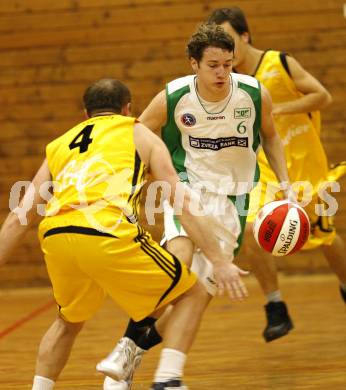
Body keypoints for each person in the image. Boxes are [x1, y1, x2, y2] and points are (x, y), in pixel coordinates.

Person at [0, 78, 249, 390]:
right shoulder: (138, 132)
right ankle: (167, 379)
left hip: (56, 234)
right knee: (194, 292)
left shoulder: (60, 144)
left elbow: (18, 218)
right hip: (106, 229)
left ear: (85, 113)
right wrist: (219, 260)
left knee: (67, 322)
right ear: (128, 108)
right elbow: (180, 200)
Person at [103, 23, 291, 390]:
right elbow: (137, 132)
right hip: (187, 190)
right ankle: (126, 347)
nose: (222, 72)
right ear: (194, 64)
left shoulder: (253, 94)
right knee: (179, 261)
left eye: (228, 64)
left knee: (200, 293)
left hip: (233, 202)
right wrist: (139, 182)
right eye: (213, 65)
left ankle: (166, 376)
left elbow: (270, 135)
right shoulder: (173, 97)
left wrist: (284, 182)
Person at [207, 6, 346, 342]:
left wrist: (278, 108)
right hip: (266, 169)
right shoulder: (228, 83)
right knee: (246, 227)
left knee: (323, 237)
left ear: (244, 36)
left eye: (228, 40)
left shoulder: (278, 63)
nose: (224, 49)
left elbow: (321, 96)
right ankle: (275, 305)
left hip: (304, 166)